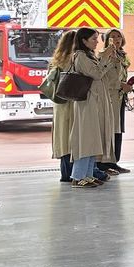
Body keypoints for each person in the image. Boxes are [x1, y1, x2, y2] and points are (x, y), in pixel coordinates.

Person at [68, 27, 126, 188]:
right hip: (87, 103)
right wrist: (105, 58)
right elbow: (97, 74)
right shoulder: (80, 57)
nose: (97, 42)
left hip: (96, 102)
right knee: (86, 139)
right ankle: (78, 176)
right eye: (93, 39)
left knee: (94, 139)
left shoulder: (90, 56)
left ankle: (87, 174)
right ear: (84, 41)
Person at [98, 29, 134, 174]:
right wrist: (120, 85)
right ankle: (104, 164)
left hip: (119, 97)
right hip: (109, 97)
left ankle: (114, 161)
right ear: (106, 40)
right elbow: (103, 78)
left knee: (118, 129)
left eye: (118, 36)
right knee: (109, 129)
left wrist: (126, 86)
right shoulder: (104, 55)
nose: (116, 39)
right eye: (112, 37)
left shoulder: (122, 55)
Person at [48, 29, 78, 183]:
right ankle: (75, 173)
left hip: (59, 104)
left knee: (63, 138)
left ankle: (65, 173)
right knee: (73, 138)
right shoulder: (75, 60)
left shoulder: (56, 61)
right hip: (73, 103)